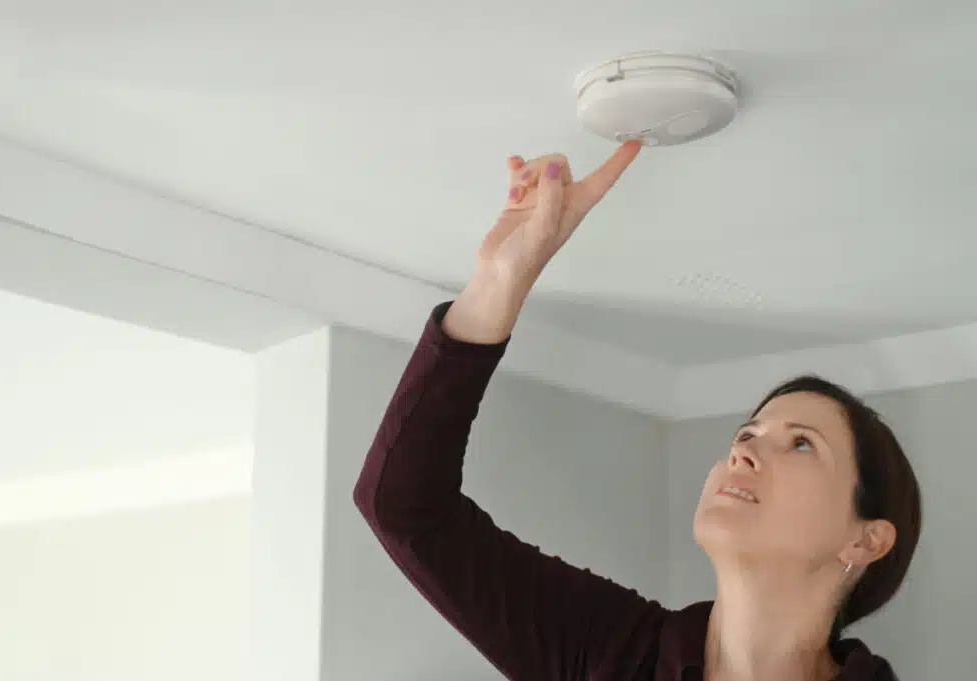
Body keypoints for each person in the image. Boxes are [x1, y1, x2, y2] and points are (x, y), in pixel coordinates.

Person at [353, 142, 922, 681]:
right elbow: (405, 509)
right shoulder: (609, 650)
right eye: (747, 432)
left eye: (800, 443)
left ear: (865, 540)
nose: (743, 451)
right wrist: (499, 283)